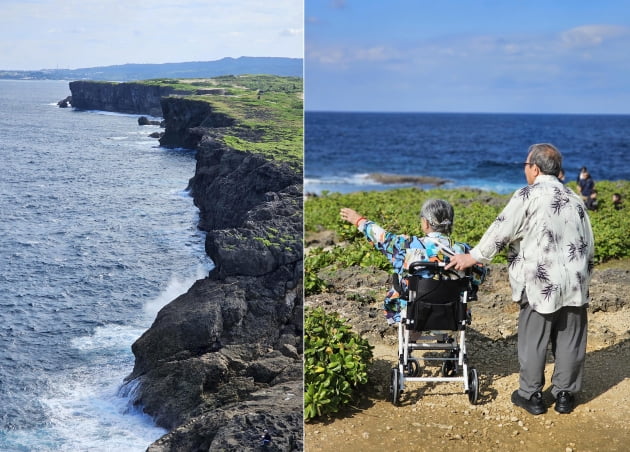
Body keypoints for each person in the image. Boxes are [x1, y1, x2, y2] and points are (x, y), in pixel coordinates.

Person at [446, 143, 594, 416]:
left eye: (526, 165)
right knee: (570, 338)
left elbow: (502, 230)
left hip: (540, 282)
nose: (526, 169)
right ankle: (565, 395)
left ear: (535, 169)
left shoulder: (527, 195)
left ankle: (531, 395)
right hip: (575, 281)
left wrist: (474, 256)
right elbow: (589, 244)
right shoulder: (575, 198)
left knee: (533, 339)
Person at [339, 199, 484, 327]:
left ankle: (413, 336)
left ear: (426, 223)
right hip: (453, 312)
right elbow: (479, 276)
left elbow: (382, 237)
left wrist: (359, 220)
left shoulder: (407, 245)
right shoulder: (466, 251)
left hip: (413, 311)